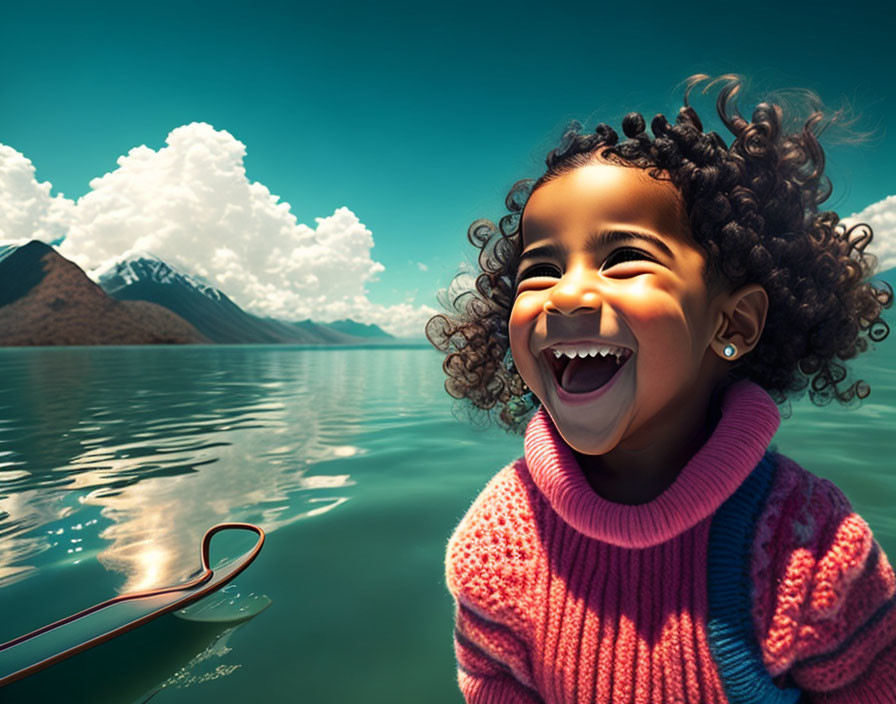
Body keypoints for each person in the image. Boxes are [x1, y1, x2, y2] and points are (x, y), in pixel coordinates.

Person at [425, 74, 896, 703]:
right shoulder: (499, 537)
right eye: (539, 269)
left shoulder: (814, 549)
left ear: (733, 322)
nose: (565, 293)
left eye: (623, 259)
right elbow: (489, 683)